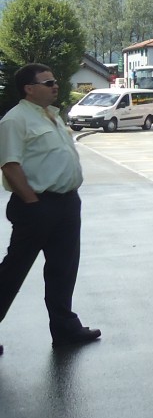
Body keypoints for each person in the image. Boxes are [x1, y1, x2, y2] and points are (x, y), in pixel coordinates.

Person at [0, 63, 101, 354]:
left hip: (66, 203)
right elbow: (9, 164)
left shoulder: (52, 116)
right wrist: (32, 202)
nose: (55, 85)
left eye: (55, 81)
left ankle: (65, 329)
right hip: (37, 206)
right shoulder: (15, 120)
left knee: (63, 269)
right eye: (48, 83)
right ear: (29, 89)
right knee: (13, 271)